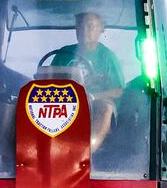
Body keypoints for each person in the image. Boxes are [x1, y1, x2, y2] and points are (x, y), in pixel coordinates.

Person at [45, 11, 125, 148]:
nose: (84, 31)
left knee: (106, 108)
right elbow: (46, 81)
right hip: (63, 101)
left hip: (95, 103)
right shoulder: (63, 54)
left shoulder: (107, 56)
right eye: (80, 26)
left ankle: (86, 151)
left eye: (90, 26)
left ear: (101, 29)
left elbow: (118, 90)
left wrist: (92, 96)